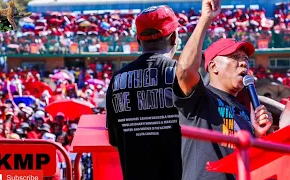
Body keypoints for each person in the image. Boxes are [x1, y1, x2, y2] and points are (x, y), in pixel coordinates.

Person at [172, 0, 273, 180]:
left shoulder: (242, 111)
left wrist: (258, 135)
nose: (243, 62)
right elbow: (185, 70)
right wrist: (205, 19)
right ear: (213, 66)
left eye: (245, 59)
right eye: (235, 57)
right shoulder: (200, 98)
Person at [106, 5, 182, 180]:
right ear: (174, 37)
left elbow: (115, 140)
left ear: (138, 40)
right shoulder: (182, 76)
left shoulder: (117, 80)